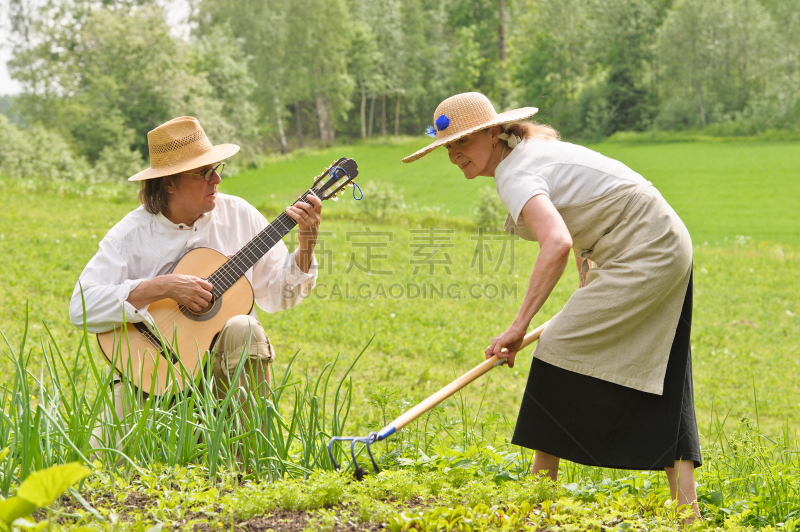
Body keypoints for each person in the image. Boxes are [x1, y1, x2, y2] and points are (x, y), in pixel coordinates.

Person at [403, 92, 701, 520]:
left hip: (645, 249)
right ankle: (687, 512)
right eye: (448, 147)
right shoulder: (526, 155)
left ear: (492, 132)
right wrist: (589, 265)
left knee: (556, 348)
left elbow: (557, 241)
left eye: (463, 143)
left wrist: (518, 325)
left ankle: (540, 500)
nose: (455, 155)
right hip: (659, 241)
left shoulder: (515, 174)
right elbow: (589, 206)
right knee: (666, 366)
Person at [70, 116, 321, 450]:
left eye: (216, 168)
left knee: (245, 327)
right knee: (101, 465)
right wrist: (161, 287)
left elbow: (279, 295)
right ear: (170, 183)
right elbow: (81, 307)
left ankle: (247, 464)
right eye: (203, 173)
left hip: (222, 375)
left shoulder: (239, 215)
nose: (216, 178)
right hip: (149, 376)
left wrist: (306, 246)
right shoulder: (129, 236)